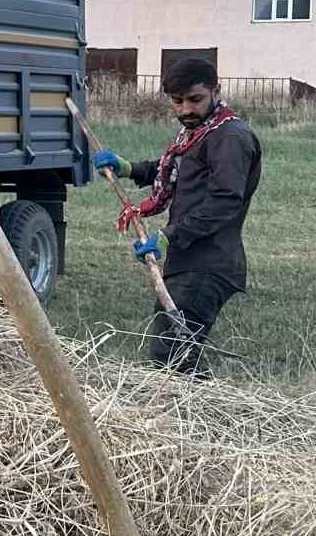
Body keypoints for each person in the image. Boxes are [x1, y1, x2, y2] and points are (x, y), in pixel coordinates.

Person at [93, 57, 261, 376]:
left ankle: (194, 420)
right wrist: (129, 169)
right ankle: (193, 415)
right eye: (177, 101)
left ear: (216, 91)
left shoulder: (230, 137)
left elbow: (224, 202)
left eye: (195, 99)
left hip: (208, 265)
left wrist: (169, 236)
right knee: (176, 352)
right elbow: (178, 169)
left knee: (171, 354)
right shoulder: (199, 135)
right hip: (190, 261)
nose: (185, 110)